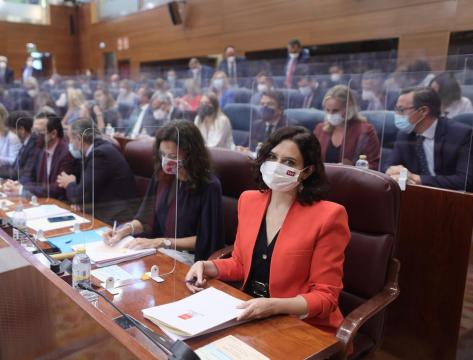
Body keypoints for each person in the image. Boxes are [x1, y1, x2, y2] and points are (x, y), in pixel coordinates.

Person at [184, 126, 350, 335]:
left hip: (300, 326)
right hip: (249, 311)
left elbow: (326, 297)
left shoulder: (329, 216)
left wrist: (274, 305)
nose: (276, 166)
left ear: (307, 171)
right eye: (272, 157)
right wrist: (207, 266)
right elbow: (240, 264)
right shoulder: (248, 200)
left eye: (289, 162)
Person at [104, 120, 225, 263]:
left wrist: (161, 242)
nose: (166, 161)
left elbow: (206, 239)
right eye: (163, 154)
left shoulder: (209, 186)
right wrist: (124, 231)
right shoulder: (161, 176)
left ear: (191, 155)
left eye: (173, 156)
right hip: (158, 250)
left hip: (189, 258)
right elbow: (144, 219)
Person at [386, 87, 473, 191]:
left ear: (423, 111)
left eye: (401, 110)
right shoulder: (404, 135)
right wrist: (392, 170)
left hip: (453, 199)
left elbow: (465, 181)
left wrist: (417, 178)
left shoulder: (464, 135)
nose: (397, 114)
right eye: (396, 109)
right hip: (416, 196)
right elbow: (389, 165)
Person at [56, 117, 137, 224]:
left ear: (80, 139)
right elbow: (85, 192)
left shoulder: (100, 155)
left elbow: (80, 196)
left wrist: (69, 183)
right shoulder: (95, 151)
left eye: (70, 138)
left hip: (116, 218)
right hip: (101, 211)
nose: (69, 143)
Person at [4, 112, 74, 198]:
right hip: (40, 200)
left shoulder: (66, 153)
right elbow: (29, 176)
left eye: (39, 132)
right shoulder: (39, 148)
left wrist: (23, 188)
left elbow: (58, 188)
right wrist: (15, 184)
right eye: (34, 131)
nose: (35, 136)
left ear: (53, 134)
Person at [313, 85, 380, 169]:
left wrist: (352, 168)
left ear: (348, 108)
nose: (330, 114)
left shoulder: (365, 131)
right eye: (327, 110)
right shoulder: (320, 129)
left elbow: (373, 165)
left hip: (351, 180)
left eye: (335, 110)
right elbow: (311, 159)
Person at [0, 111, 38, 181]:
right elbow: (14, 168)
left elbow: (21, 174)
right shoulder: (26, 143)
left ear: (22, 130)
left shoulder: (34, 145)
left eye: (12, 130)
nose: (11, 134)